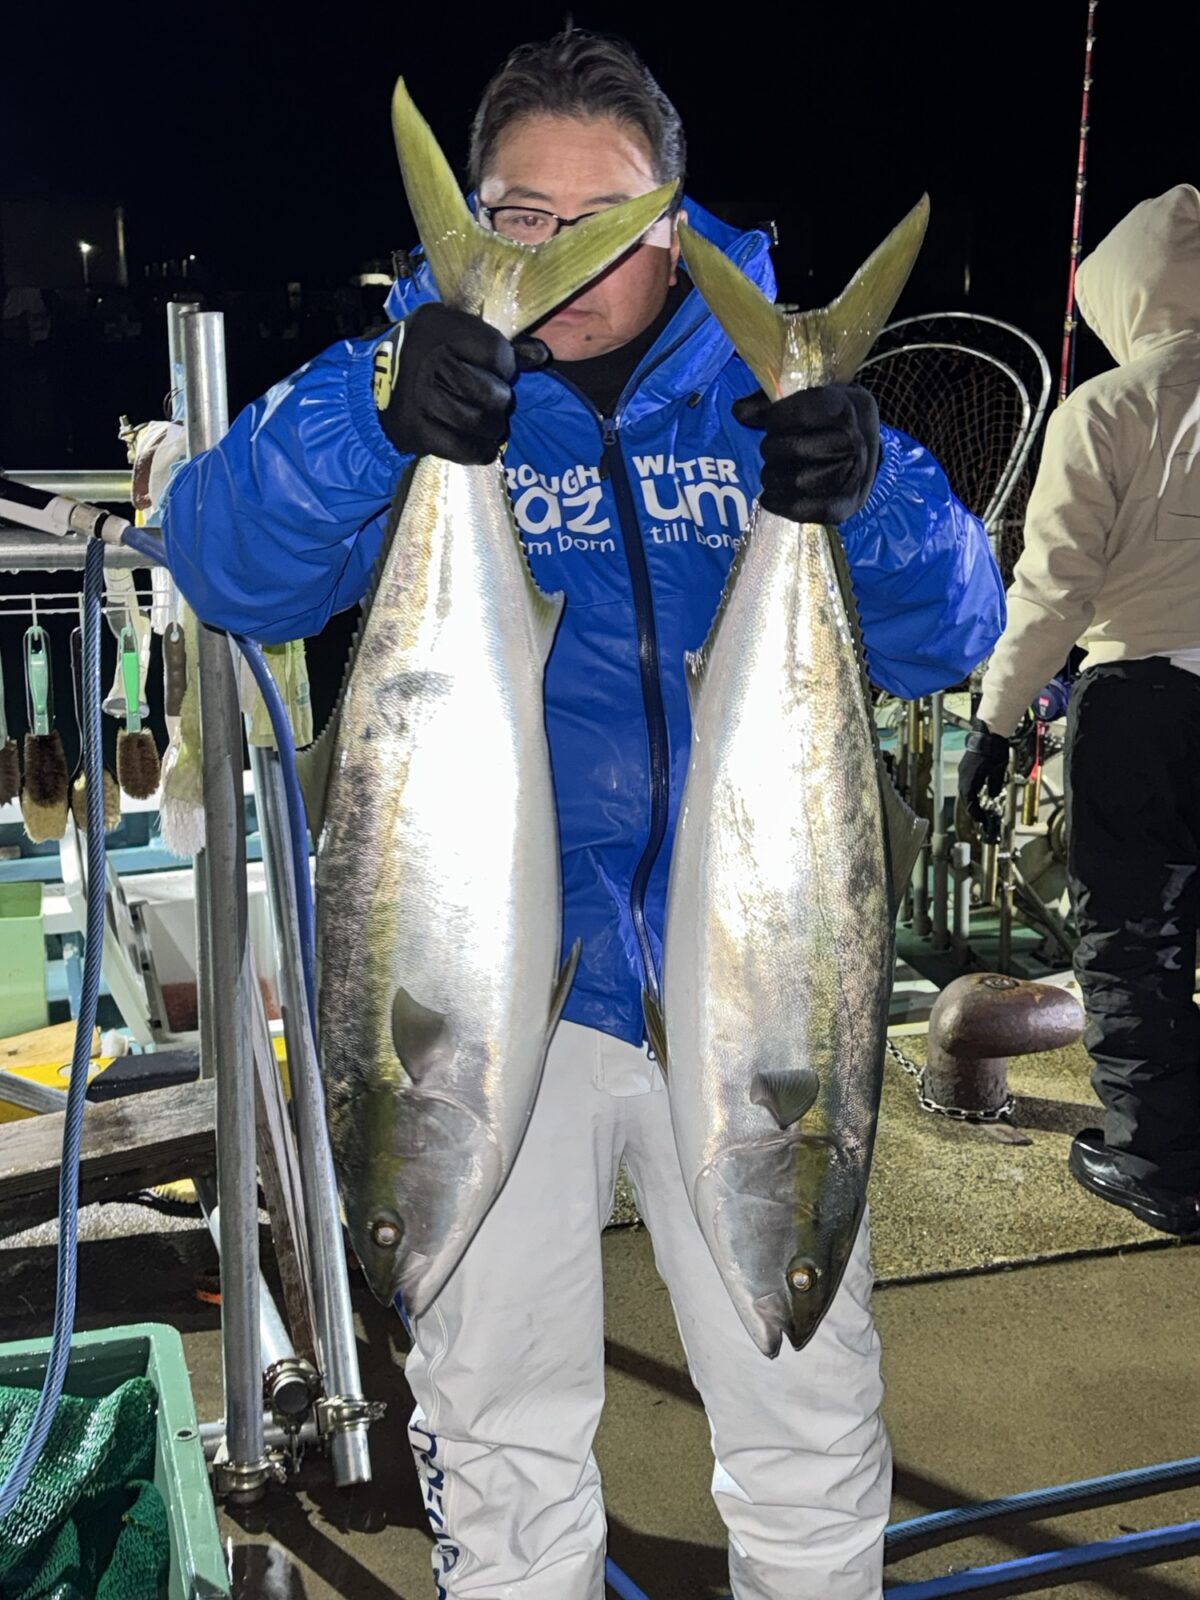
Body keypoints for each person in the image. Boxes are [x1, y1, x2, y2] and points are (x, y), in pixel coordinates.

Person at [163, 30, 1004, 1600]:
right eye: (519, 216)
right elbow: (223, 561)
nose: (560, 256)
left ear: (676, 226)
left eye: (604, 219)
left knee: (808, 1422)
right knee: (496, 1440)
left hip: (750, 986)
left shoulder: (768, 394)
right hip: (484, 995)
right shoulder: (414, 392)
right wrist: (373, 410)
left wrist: (872, 486)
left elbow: (952, 634)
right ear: (466, 222)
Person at [960, 183, 1200, 1242]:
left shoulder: (1105, 408)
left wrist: (995, 720)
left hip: (1141, 699)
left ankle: (1158, 1164)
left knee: (1133, 935)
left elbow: (1053, 589)